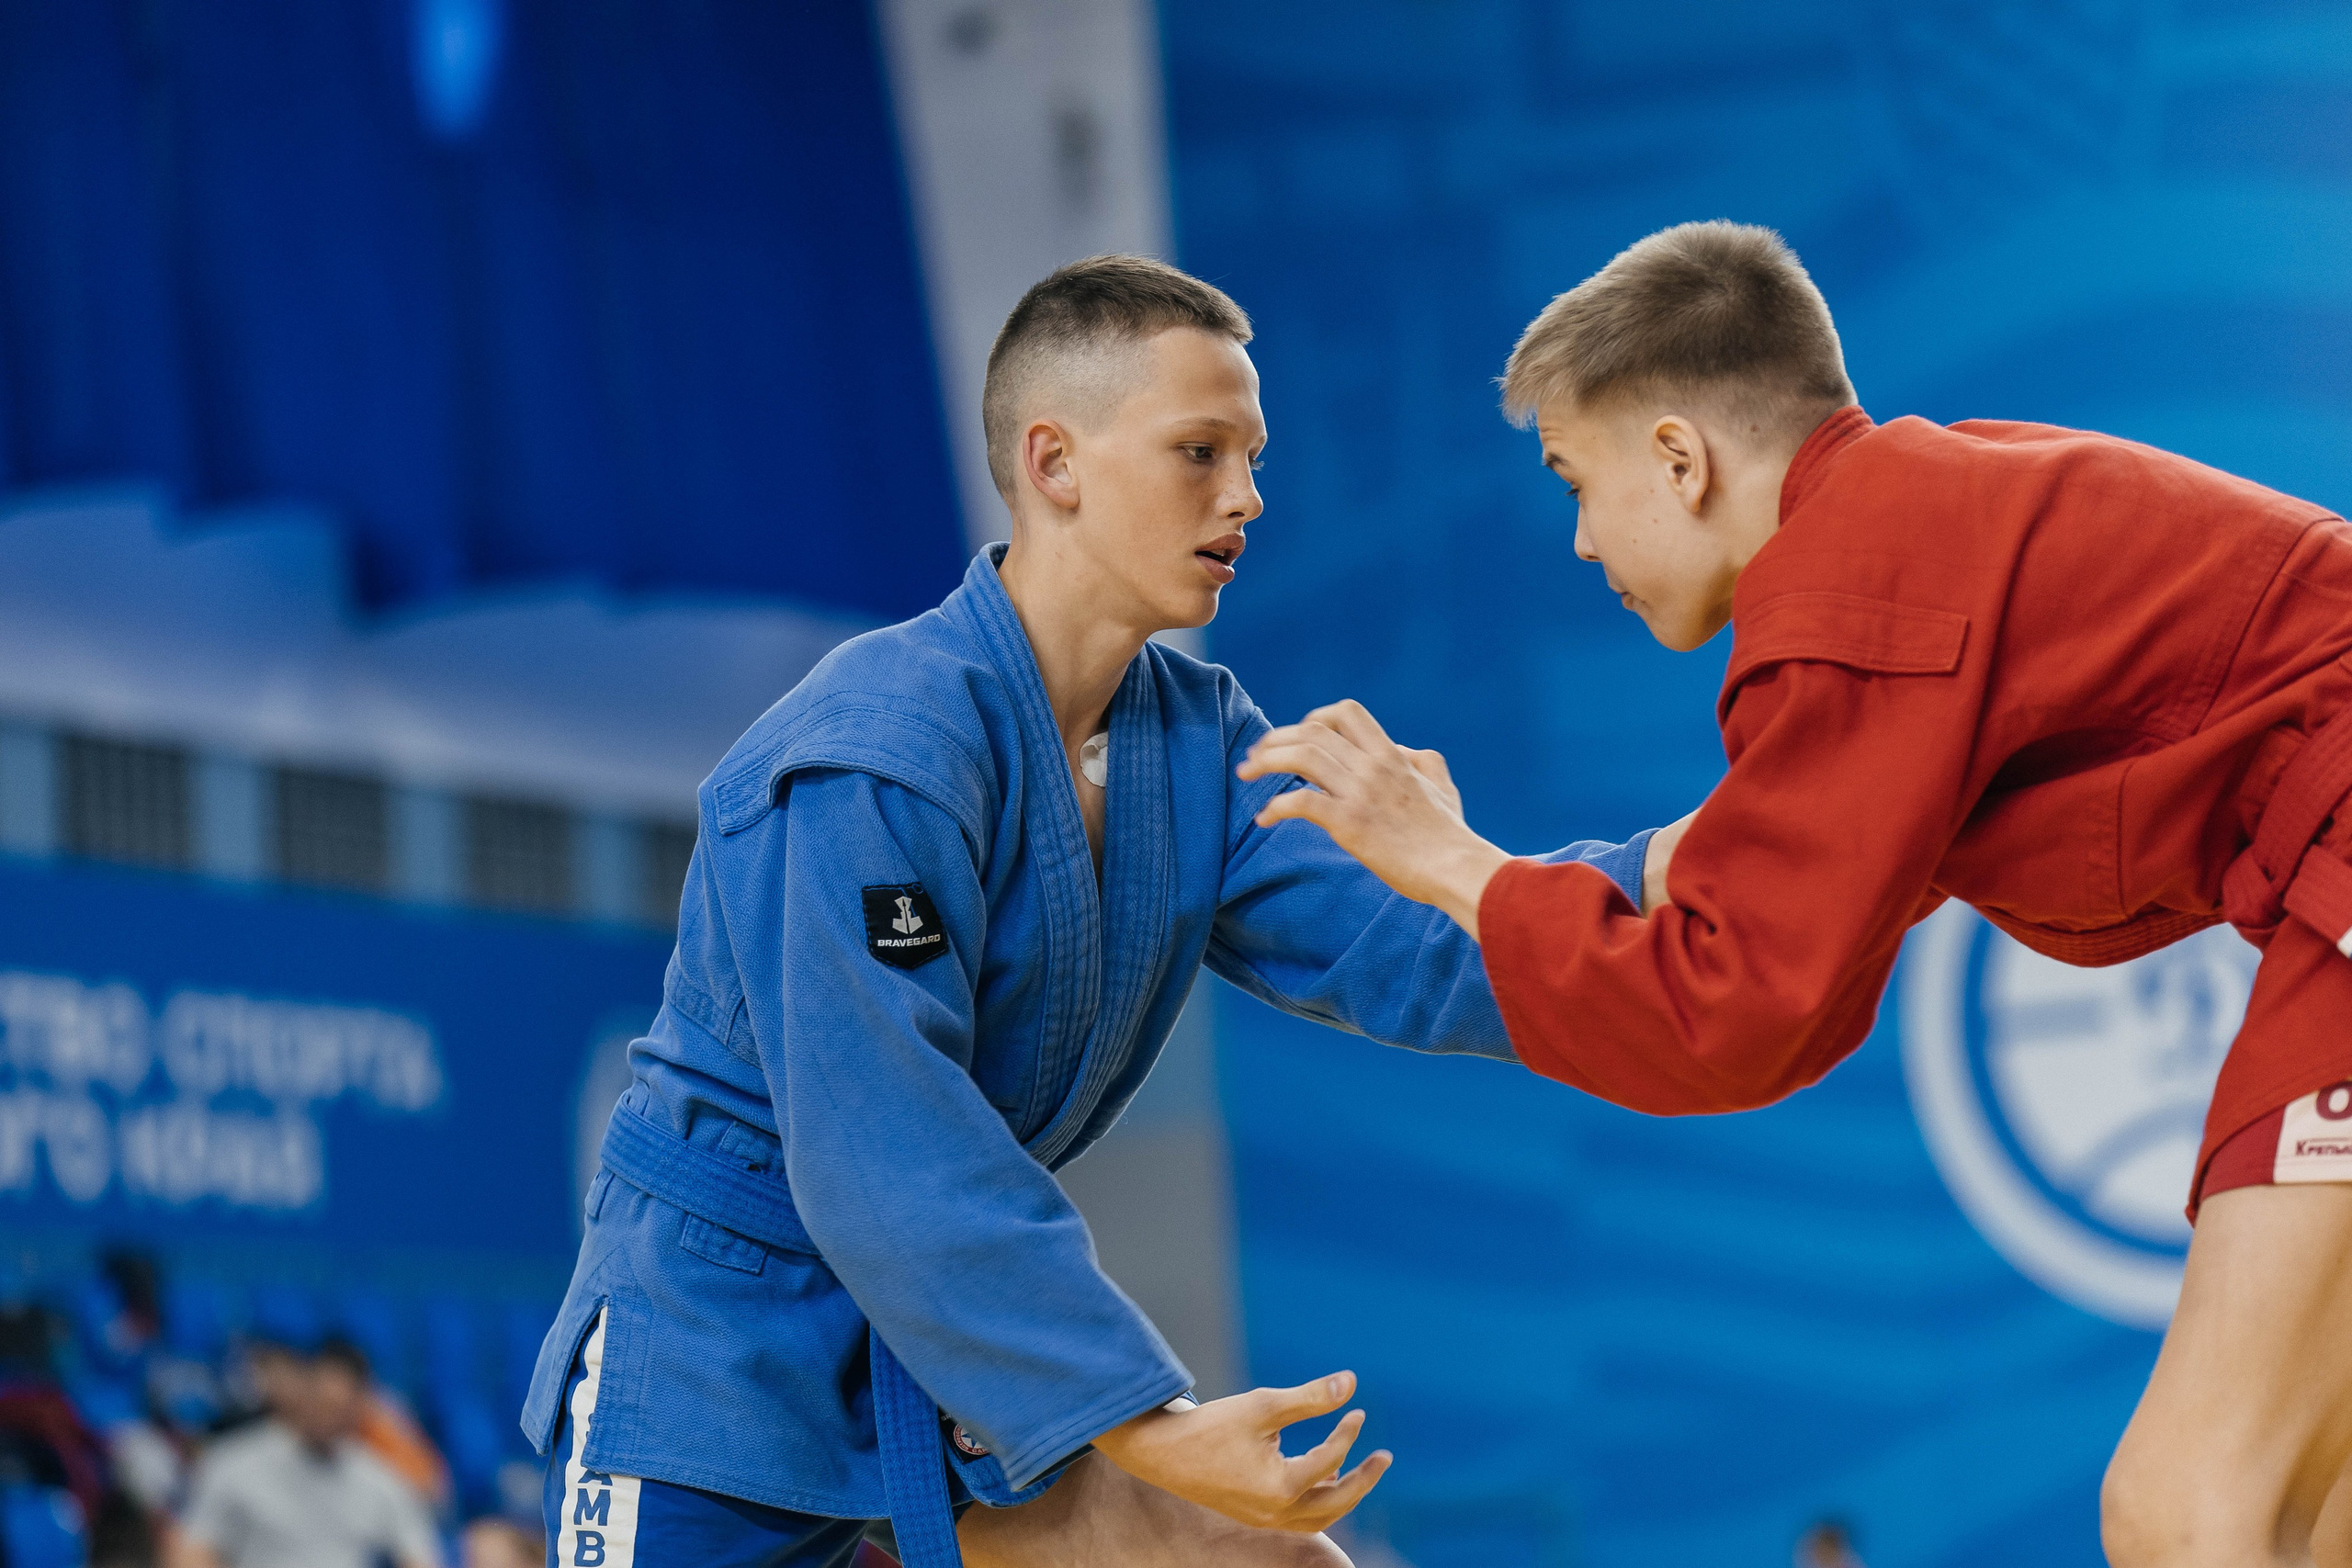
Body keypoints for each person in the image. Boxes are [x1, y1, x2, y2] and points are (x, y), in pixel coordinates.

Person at [1237, 220, 2352, 1568]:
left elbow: (1739, 1004)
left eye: (1574, 482)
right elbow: (1741, 856)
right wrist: (1477, 863)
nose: (1582, 541)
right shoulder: (1926, 506)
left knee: (2188, 1511)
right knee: (2307, 1517)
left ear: (1678, 456)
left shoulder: (1850, 588)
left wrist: (1449, 859)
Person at [521, 254, 1654, 1568]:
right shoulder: (873, 755)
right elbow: (887, 1152)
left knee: (1279, 1565)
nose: (1247, 496)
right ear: (1054, 464)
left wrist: (1688, 870)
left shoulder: (1189, 742)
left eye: (1255, 456)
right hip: (723, 1360)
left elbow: (1409, 948)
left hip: (940, 1356)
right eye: (1200, 451)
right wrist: (1149, 1419)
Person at [172, 1339, 439, 1568]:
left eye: (339, 1409)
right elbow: (193, 1551)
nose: (327, 1418)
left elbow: (419, 1555)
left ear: (358, 1412)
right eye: (321, 1402)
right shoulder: (233, 1463)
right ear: (303, 1393)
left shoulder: (378, 1480)